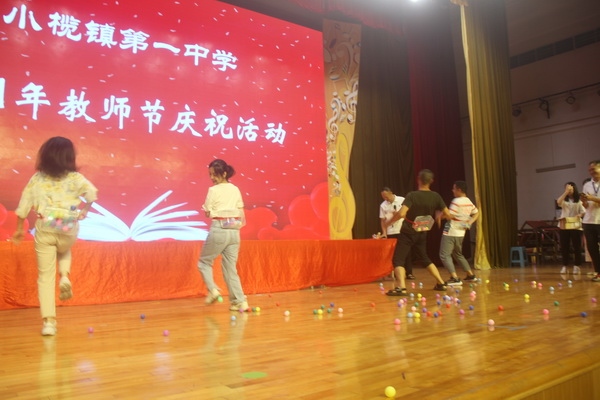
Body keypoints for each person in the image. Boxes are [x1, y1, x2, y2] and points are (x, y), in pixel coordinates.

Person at [12, 137, 98, 336]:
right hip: (67, 225)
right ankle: (65, 275)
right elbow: (92, 194)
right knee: (64, 248)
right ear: (69, 156)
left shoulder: (38, 178)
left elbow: (24, 205)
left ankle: (49, 322)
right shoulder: (75, 178)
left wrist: (19, 229)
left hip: (46, 224)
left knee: (45, 276)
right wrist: (85, 210)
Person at [384, 169, 452, 295]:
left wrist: (389, 222)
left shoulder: (412, 195)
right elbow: (448, 214)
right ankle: (441, 282)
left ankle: (401, 288)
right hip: (422, 231)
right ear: (431, 181)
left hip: (408, 231)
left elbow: (402, 213)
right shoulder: (436, 196)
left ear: (418, 180)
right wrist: (439, 216)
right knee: (424, 258)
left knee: (398, 260)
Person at [198, 159, 249, 311]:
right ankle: (240, 301)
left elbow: (207, 211)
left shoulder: (213, 190)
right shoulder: (235, 189)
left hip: (219, 229)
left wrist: (214, 212)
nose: (212, 177)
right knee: (230, 268)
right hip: (234, 231)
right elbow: (241, 211)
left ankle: (213, 289)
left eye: (215, 174)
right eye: (210, 174)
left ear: (224, 174)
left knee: (204, 262)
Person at [439, 181, 478, 286]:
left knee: (444, 254)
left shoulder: (456, 201)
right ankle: (470, 275)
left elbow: (450, 215)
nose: (452, 191)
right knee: (458, 254)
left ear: (459, 190)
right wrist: (469, 222)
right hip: (461, 233)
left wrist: (440, 216)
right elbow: (477, 213)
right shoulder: (468, 201)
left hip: (451, 231)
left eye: (454, 189)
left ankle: (454, 278)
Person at [379, 187, 415, 280]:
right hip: (391, 231)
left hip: (402, 229)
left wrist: (398, 214)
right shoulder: (383, 205)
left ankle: (409, 273)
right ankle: (396, 273)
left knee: (406, 252)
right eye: (383, 197)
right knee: (394, 253)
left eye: (386, 196)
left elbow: (409, 213)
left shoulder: (402, 200)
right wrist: (384, 232)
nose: (385, 198)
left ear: (391, 193)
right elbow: (383, 220)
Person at [556, 182, 585, 275]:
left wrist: (579, 215)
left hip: (576, 225)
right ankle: (565, 266)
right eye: (567, 188)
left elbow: (583, 211)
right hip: (564, 225)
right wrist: (566, 192)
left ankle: (577, 266)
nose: (569, 190)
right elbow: (558, 202)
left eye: (570, 189)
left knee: (577, 246)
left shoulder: (579, 200)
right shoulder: (564, 200)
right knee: (564, 246)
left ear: (574, 189)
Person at [581, 160, 600, 282]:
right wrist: (584, 201)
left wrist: (592, 198)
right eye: (589, 170)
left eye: (593, 169)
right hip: (589, 220)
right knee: (592, 248)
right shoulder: (587, 185)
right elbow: (586, 205)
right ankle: (598, 272)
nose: (591, 172)